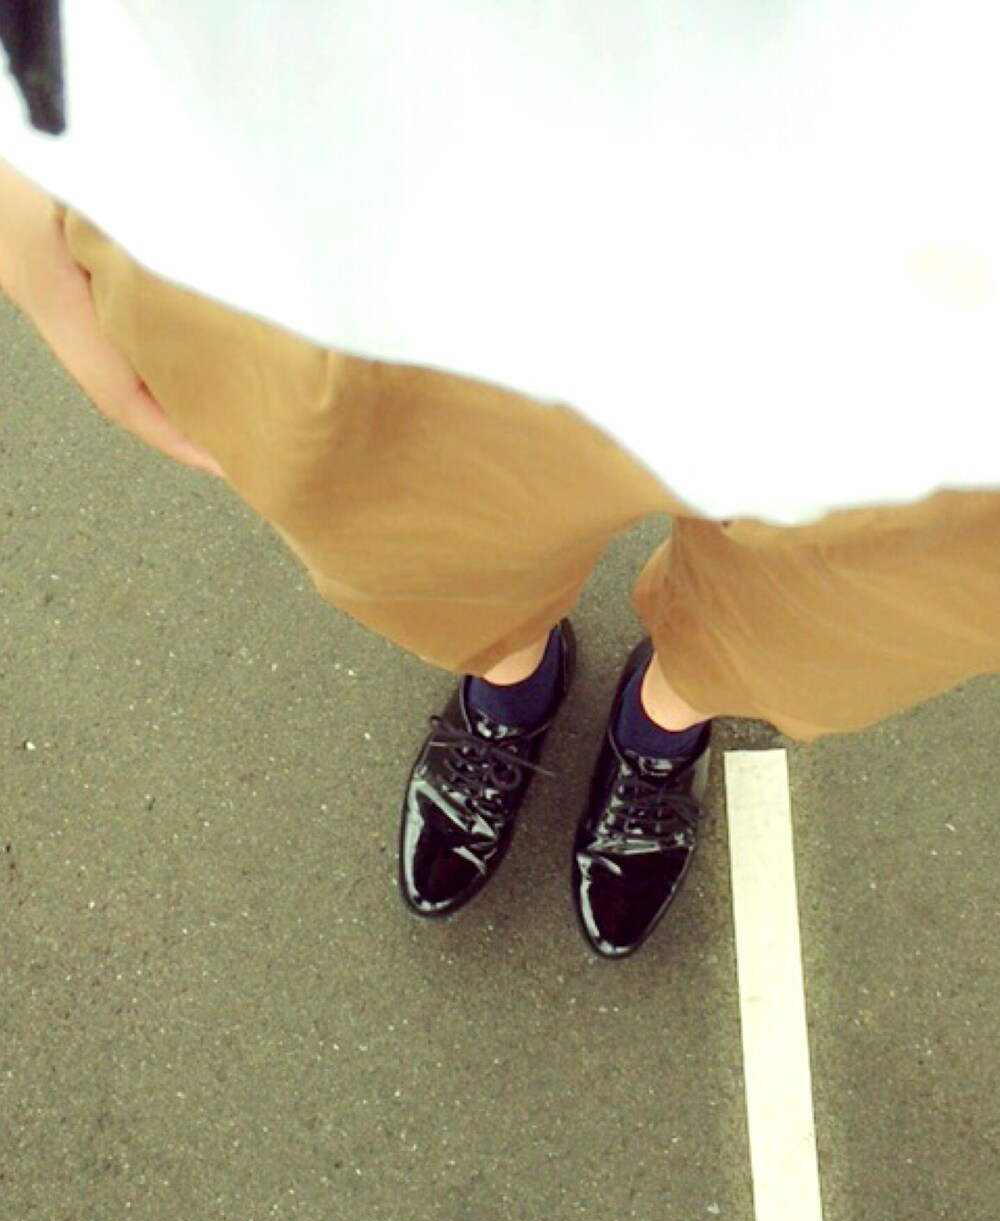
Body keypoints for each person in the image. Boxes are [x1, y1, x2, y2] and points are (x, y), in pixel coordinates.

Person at [3, 2, 1000, 959]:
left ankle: (665, 716)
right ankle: (514, 680)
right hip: (346, 165)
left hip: (949, 302)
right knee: (426, 539)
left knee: (831, 627)